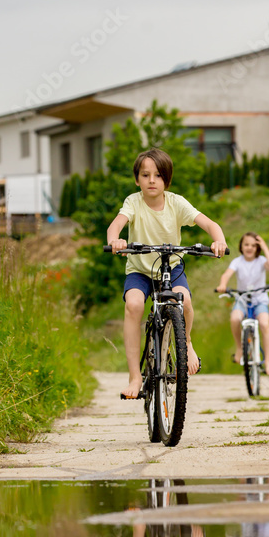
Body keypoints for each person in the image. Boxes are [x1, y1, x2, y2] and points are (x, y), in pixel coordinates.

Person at [107, 147, 227, 399]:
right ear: (137, 179)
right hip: (139, 270)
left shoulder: (176, 202)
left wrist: (218, 241)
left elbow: (209, 224)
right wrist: (115, 240)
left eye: (158, 175)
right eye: (145, 175)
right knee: (133, 305)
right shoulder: (133, 202)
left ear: (167, 180)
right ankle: (134, 375)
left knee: (184, 299)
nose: (152, 180)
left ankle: (187, 344)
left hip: (171, 267)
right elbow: (116, 224)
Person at [216, 231, 269, 374]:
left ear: (257, 248)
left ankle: (268, 362)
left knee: (264, 324)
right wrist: (222, 285)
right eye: (246, 245)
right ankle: (239, 348)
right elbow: (226, 275)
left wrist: (264, 245)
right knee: (235, 318)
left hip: (259, 299)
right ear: (241, 247)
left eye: (253, 245)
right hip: (242, 298)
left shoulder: (261, 260)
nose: (249, 248)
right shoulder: (237, 261)